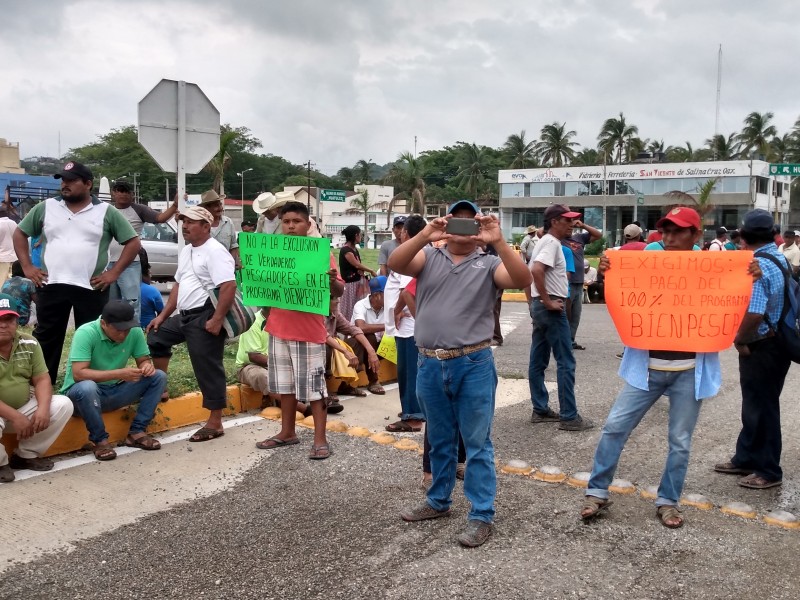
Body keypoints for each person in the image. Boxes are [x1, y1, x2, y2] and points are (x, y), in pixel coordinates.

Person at [581, 206, 737, 529]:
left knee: (679, 441)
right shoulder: (648, 262)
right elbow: (622, 303)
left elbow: (734, 304)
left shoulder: (713, 267)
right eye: (665, 231)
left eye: (678, 231)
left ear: (696, 235)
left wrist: (748, 279)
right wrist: (611, 273)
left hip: (689, 371)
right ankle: (597, 491)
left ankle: (668, 500)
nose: (669, 237)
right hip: (646, 370)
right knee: (614, 428)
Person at [390, 199, 532, 548]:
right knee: (439, 438)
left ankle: (481, 515)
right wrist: (426, 233)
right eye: (458, 220)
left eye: (472, 222)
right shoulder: (429, 258)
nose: (465, 228)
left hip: (473, 363)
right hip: (429, 363)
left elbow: (521, 278)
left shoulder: (489, 263)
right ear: (447, 223)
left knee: (477, 442)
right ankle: (438, 501)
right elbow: (396, 262)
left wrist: (497, 240)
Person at [13, 161, 140, 385]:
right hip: (51, 284)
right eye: (63, 180)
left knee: (92, 337)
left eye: (71, 180)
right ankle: (41, 382)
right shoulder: (46, 207)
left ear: (88, 184)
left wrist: (114, 273)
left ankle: (87, 384)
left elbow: (132, 242)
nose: (65, 184)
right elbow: (20, 233)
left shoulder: (105, 212)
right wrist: (27, 267)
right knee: (47, 335)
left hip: (91, 286)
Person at [254, 201, 344, 459]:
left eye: (297, 221)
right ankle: (287, 432)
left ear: (308, 224)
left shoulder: (320, 253)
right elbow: (262, 288)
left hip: (307, 330)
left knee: (315, 389)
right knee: (284, 386)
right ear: (281, 225)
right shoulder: (273, 252)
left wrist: (330, 281)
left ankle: (320, 439)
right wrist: (248, 275)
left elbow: (338, 289)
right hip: (277, 329)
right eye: (286, 222)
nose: (291, 226)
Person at [715, 209, 791, 490]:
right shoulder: (777, 257)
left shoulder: (757, 264)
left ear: (743, 236)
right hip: (776, 342)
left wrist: (739, 340)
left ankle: (769, 470)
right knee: (755, 404)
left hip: (762, 345)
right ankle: (745, 456)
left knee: (764, 407)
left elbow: (755, 313)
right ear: (773, 234)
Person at [146, 206, 236, 441]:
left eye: (191, 222)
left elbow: (228, 286)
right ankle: (160, 386)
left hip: (205, 315)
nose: (184, 226)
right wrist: (163, 316)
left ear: (206, 227)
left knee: (207, 366)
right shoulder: (187, 250)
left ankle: (215, 422)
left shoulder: (215, 251)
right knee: (156, 336)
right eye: (183, 221)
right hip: (185, 315)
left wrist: (216, 319)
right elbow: (177, 285)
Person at [62, 300, 167, 461]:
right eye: (119, 330)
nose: (124, 334)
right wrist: (119, 373)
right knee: (87, 387)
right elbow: (79, 374)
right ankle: (100, 441)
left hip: (113, 392)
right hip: (82, 399)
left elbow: (144, 360)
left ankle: (137, 433)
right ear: (104, 323)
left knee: (158, 376)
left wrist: (147, 366)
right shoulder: (86, 332)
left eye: (127, 329)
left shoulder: (134, 332)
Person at [526, 204, 593, 431]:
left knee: (538, 360)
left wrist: (536, 302)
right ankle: (569, 416)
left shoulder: (544, 242)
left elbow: (531, 274)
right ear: (555, 221)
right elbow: (536, 271)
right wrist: (546, 301)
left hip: (542, 306)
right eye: (567, 220)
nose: (572, 225)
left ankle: (541, 409)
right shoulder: (552, 243)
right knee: (566, 361)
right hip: (551, 307)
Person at [0, 294, 73, 483]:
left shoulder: (29, 343)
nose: (3, 325)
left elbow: (41, 379)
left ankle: (25, 455)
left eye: (8, 319)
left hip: (23, 408)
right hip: (5, 414)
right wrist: (16, 417)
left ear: (17, 321)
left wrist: (42, 409)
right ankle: (1, 463)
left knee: (62, 404)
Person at [108, 181, 178, 323]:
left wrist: (175, 205)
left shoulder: (139, 209)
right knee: (111, 304)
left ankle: (133, 332)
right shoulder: (107, 210)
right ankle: (112, 333)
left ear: (132, 194)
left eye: (126, 191)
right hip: (108, 263)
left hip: (130, 263)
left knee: (132, 301)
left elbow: (160, 218)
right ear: (113, 193)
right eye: (119, 190)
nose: (122, 194)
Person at [384, 215, 427, 433]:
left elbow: (406, 290)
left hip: (408, 326)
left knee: (409, 371)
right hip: (412, 325)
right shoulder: (422, 254)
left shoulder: (410, 256)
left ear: (406, 234)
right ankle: (415, 409)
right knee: (414, 371)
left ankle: (412, 417)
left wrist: (398, 310)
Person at [236, 308, 309, 415]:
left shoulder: (282, 322)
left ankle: (289, 400)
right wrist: (281, 364)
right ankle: (304, 409)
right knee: (263, 376)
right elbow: (254, 356)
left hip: (273, 364)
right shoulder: (254, 322)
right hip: (249, 366)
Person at [325, 296, 381, 409]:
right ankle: (323, 392)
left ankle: (346, 385)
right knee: (324, 346)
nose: (337, 300)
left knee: (362, 340)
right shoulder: (317, 313)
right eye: (332, 298)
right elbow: (323, 335)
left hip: (335, 349)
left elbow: (353, 329)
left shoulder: (335, 312)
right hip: (320, 349)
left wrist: (371, 352)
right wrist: (345, 351)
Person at [564, 218, 602, 350]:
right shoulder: (557, 239)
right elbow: (540, 233)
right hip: (566, 283)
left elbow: (598, 235)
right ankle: (563, 341)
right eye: (567, 225)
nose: (570, 228)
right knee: (565, 314)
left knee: (575, 314)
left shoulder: (579, 238)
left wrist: (583, 225)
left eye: (571, 226)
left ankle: (571, 340)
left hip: (579, 283)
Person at [351, 275, 387, 395]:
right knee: (369, 336)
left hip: (378, 346)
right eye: (388, 293)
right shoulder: (360, 305)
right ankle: (373, 381)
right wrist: (386, 326)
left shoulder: (388, 306)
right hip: (358, 346)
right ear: (377, 295)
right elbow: (361, 327)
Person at [338, 225, 376, 321]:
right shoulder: (346, 250)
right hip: (351, 285)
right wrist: (371, 270)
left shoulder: (354, 249)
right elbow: (357, 265)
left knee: (358, 307)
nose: (361, 237)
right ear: (356, 235)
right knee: (349, 308)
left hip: (358, 282)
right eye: (360, 235)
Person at [198, 190, 240, 267]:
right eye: (216, 206)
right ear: (207, 208)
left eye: (220, 204)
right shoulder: (199, 224)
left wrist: (232, 263)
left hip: (225, 268)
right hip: (205, 269)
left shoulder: (228, 222)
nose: (220, 208)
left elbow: (233, 245)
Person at [1, 262, 37, 326]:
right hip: (23, 320)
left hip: (8, 318)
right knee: (37, 304)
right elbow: (38, 301)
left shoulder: (6, 282)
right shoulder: (29, 282)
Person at [139, 263, 163, 329]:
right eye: (150, 274)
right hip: (148, 328)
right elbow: (161, 312)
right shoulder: (152, 291)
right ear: (143, 275)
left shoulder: (125, 289)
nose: (150, 277)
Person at [0, 206, 18, 282]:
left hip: (2, 258)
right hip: (14, 257)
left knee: (2, 281)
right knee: (12, 281)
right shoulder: (14, 223)